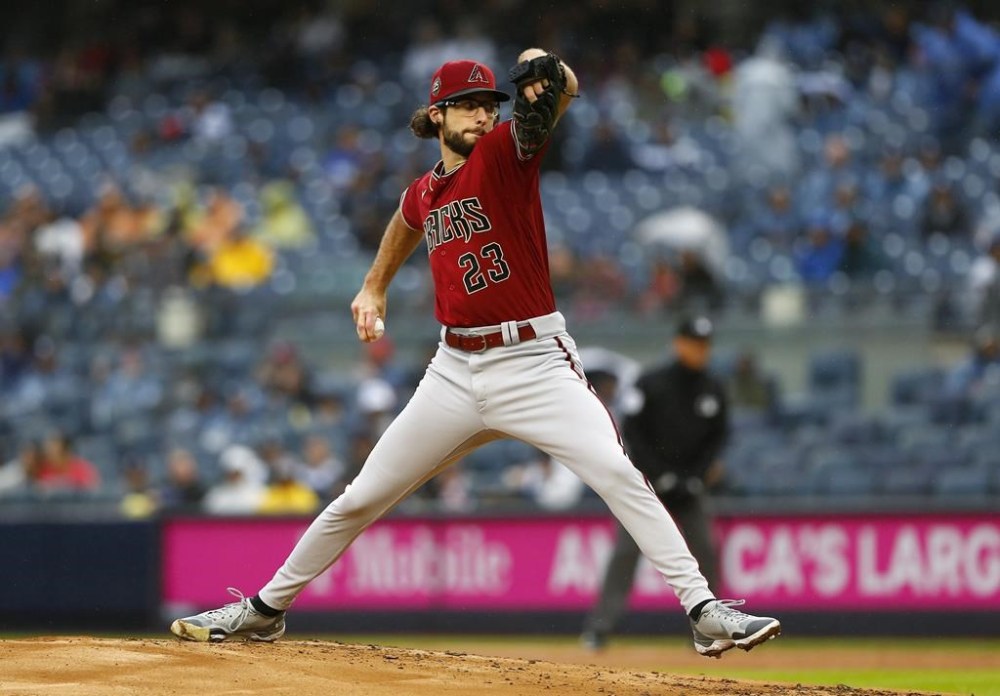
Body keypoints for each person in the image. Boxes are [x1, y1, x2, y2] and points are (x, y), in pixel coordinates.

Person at [170, 50, 780, 658]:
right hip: (454, 372)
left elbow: (559, 94)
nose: (482, 116)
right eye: (467, 105)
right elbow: (406, 220)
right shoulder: (426, 191)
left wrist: (547, 67)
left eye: (490, 105)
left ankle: (702, 611)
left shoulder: (504, 153)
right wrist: (374, 284)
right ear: (436, 115)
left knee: (619, 473)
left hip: (535, 362)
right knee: (360, 496)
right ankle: (264, 610)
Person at [581, 316, 729, 650]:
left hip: (690, 487)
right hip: (649, 484)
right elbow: (632, 433)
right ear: (678, 343)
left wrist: (692, 477)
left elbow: (718, 438)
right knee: (624, 553)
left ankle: (712, 630)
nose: (699, 351)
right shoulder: (651, 382)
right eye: (693, 343)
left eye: (704, 345)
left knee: (705, 550)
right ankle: (599, 628)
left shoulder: (713, 388)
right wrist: (659, 473)